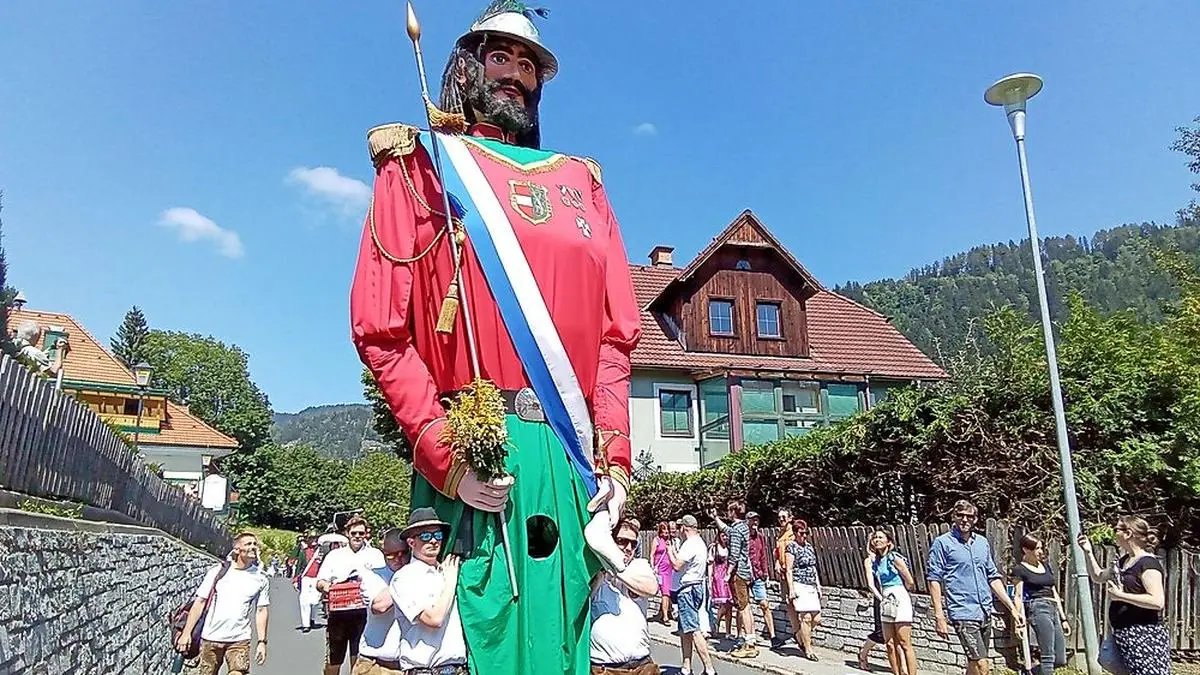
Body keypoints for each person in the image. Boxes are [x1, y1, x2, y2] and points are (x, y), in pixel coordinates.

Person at [349, 2, 641, 672]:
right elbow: (381, 330)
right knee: (468, 640)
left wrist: (615, 457)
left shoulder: (582, 185)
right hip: (475, 454)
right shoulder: (422, 167)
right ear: (468, 66)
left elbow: (613, 343)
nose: (515, 74)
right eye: (500, 57)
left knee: (572, 645)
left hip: (569, 460)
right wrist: (446, 453)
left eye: (528, 64)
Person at [927, 500, 1024, 675]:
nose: (965, 520)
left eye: (969, 516)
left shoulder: (981, 542)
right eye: (961, 515)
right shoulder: (943, 543)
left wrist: (1012, 609)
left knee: (974, 663)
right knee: (982, 664)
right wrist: (939, 615)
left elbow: (993, 577)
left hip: (984, 610)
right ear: (954, 517)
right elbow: (934, 579)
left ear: (975, 519)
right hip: (962, 611)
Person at [1078, 516, 1169, 675]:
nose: (1114, 533)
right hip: (1125, 633)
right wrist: (1088, 552)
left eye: (1117, 529)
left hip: (1144, 634)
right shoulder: (1125, 561)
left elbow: (1157, 601)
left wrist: (1121, 596)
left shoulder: (1147, 563)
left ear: (1128, 534)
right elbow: (1098, 576)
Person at [176, 532, 270, 675]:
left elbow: (261, 610)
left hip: (239, 639)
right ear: (237, 550)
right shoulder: (218, 572)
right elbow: (200, 602)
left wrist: (262, 642)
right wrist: (186, 633)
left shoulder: (260, 578)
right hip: (211, 637)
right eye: (248, 544)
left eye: (255, 544)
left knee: (239, 672)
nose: (253, 547)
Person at [390, 508, 468, 674]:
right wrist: (450, 582)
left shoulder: (446, 570)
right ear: (412, 543)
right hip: (424, 670)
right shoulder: (404, 578)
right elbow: (433, 619)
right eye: (425, 536)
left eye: (437, 536)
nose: (433, 541)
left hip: (456, 669)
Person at [590, 518, 661, 675]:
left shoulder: (639, 565)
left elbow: (651, 588)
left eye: (633, 544)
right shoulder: (596, 571)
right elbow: (584, 597)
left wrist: (616, 567)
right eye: (622, 541)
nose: (629, 548)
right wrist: (603, 568)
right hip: (606, 669)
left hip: (643, 666)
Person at [316, 515, 386, 675]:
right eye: (354, 533)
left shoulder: (375, 555)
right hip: (338, 614)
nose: (357, 537)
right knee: (333, 662)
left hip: (364, 615)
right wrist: (328, 587)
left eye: (361, 533)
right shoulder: (334, 556)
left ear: (366, 534)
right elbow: (320, 581)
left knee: (358, 662)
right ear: (347, 533)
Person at [352, 528, 411, 675]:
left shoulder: (417, 574)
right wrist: (407, 575)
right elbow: (380, 606)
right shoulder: (372, 576)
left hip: (407, 665)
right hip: (375, 664)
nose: (398, 559)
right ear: (383, 553)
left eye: (403, 553)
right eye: (391, 555)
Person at [1012, 533, 1069, 675]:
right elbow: (1018, 596)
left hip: (1053, 609)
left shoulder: (1045, 566)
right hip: (1038, 608)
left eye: (1041, 548)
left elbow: (1054, 592)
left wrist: (1063, 618)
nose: (1041, 551)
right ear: (1026, 550)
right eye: (1037, 548)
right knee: (1048, 656)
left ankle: (1030, 673)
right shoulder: (1020, 569)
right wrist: (1018, 621)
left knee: (1060, 658)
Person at [667, 515, 716, 675]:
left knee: (693, 629)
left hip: (687, 589)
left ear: (685, 528)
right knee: (684, 630)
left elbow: (676, 565)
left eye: (681, 527)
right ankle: (686, 667)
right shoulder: (700, 543)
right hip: (695, 586)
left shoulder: (690, 544)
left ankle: (709, 669)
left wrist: (669, 551)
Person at [864, 530, 916, 675]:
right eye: (875, 537)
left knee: (904, 642)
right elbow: (871, 582)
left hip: (898, 596)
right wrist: (882, 598)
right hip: (886, 599)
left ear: (889, 541)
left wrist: (901, 594)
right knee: (890, 643)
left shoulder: (894, 558)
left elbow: (909, 581)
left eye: (880, 537)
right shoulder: (875, 561)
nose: (877, 540)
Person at [709, 500, 756, 658]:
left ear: (733, 512)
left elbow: (734, 554)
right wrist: (715, 518)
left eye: (729, 511)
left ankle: (749, 644)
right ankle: (751, 639)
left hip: (738, 574)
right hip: (746, 572)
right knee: (746, 606)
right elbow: (726, 529)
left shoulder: (736, 531)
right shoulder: (742, 527)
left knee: (743, 607)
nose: (727, 513)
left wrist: (728, 573)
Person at [784, 519, 822, 662]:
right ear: (795, 533)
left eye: (806, 533)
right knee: (805, 617)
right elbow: (789, 570)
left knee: (817, 618)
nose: (804, 536)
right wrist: (791, 589)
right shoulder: (791, 547)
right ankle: (808, 648)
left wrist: (818, 585)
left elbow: (813, 567)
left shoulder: (809, 547)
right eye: (801, 533)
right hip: (799, 583)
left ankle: (800, 635)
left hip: (811, 584)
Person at [746, 512, 779, 648]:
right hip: (745, 574)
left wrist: (765, 573)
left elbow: (763, 555)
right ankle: (748, 635)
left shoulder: (760, 537)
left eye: (757, 521)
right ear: (747, 521)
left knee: (764, 604)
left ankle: (773, 636)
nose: (755, 523)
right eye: (752, 520)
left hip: (758, 575)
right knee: (744, 607)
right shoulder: (743, 537)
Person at [773, 508, 800, 644]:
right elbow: (778, 551)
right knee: (789, 603)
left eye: (784, 517)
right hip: (784, 574)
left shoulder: (794, 533)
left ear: (790, 518)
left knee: (799, 604)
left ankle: (802, 633)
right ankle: (796, 633)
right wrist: (777, 562)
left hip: (795, 574)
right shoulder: (780, 534)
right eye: (779, 518)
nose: (781, 520)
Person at [708, 530, 733, 639]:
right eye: (723, 535)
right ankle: (716, 622)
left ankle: (728, 632)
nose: (725, 537)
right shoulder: (714, 547)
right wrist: (710, 578)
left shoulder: (730, 547)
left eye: (726, 535)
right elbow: (710, 564)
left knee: (730, 604)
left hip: (728, 575)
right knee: (724, 603)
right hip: (718, 576)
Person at [296, 537, 323, 632]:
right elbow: (299, 565)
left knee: (315, 601)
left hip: (317, 578)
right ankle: (305, 624)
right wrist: (295, 579)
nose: (313, 541)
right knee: (304, 601)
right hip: (306, 578)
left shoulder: (321, 551)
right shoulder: (304, 552)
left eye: (315, 539)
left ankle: (312, 618)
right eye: (311, 539)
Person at [652, 523, 675, 624]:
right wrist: (653, 566)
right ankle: (665, 616)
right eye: (664, 531)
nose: (666, 533)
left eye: (667, 531)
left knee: (668, 591)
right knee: (665, 592)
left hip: (669, 568)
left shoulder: (669, 542)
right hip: (661, 569)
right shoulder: (656, 540)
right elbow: (652, 554)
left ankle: (667, 611)